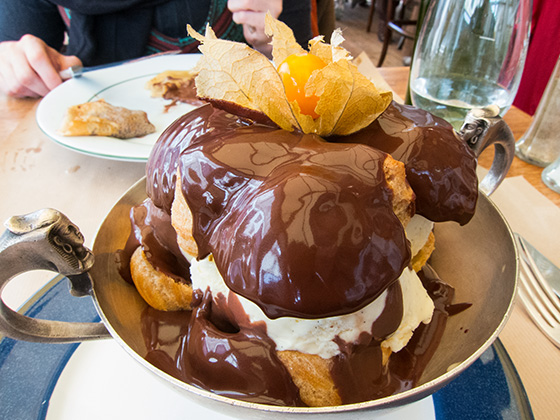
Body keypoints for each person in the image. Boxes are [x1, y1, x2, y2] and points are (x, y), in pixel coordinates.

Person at [0, 0, 314, 98]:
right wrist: (16, 64)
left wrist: (273, 44)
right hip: (88, 168)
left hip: (242, 162)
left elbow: (310, 81)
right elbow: (17, 56)